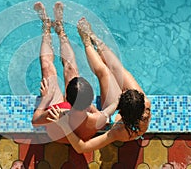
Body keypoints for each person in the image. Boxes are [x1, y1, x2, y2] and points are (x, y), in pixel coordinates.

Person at [47, 17, 152, 153]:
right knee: (117, 69)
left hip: (110, 112)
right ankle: (95, 39)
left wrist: (64, 126)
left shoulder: (120, 131)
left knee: (104, 72)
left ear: (121, 108)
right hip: (122, 110)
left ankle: (87, 42)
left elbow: (81, 148)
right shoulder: (144, 104)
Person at [31, 2, 121, 143]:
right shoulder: (97, 119)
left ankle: (47, 29)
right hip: (78, 112)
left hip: (61, 121)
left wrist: (46, 99)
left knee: (47, 67)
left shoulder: (56, 114)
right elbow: (109, 111)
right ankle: (61, 31)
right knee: (71, 69)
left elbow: (35, 121)